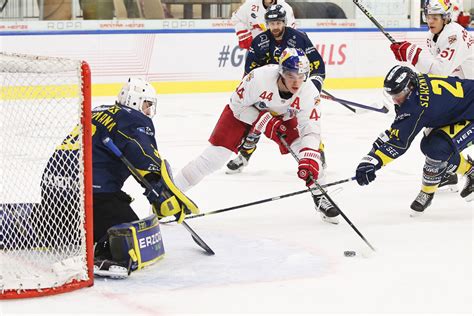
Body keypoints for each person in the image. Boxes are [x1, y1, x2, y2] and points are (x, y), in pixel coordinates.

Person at [42, 78, 198, 278]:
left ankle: (45, 227)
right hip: (89, 198)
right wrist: (162, 193)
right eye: (147, 104)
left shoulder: (99, 111)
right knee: (135, 236)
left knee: (92, 213)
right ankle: (105, 252)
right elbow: (143, 158)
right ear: (134, 101)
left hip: (51, 191)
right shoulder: (133, 119)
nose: (148, 111)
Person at [174, 48, 340, 224]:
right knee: (214, 158)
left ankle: (321, 195)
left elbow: (311, 129)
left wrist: (309, 154)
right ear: (282, 72)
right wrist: (263, 120)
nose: (297, 82)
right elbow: (237, 105)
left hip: (282, 117)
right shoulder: (259, 78)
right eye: (291, 75)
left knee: (310, 157)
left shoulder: (308, 91)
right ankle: (171, 192)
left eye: (301, 76)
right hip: (245, 112)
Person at [355, 65, 474, 216]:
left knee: (437, 147)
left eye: (399, 93)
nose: (395, 99)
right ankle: (469, 171)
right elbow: (396, 131)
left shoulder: (415, 105)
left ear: (410, 87)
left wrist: (374, 161)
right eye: (392, 94)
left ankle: (430, 191)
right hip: (460, 112)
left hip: (469, 114)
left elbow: (399, 143)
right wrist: (373, 153)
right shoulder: (415, 88)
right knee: (430, 145)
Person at [227, 4, 326, 174]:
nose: (275, 27)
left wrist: (311, 89)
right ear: (267, 23)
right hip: (268, 92)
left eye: (279, 23)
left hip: (293, 92)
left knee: (306, 123)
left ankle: (317, 152)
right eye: (272, 24)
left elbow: (317, 66)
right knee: (257, 122)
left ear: (284, 22)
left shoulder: (299, 38)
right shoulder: (260, 41)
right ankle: (244, 155)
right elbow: (249, 71)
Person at [389, 0, 473, 191]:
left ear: (446, 17)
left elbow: (440, 71)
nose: (431, 21)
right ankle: (450, 173)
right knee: (431, 133)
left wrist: (411, 53)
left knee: (438, 139)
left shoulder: (455, 35)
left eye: (435, 17)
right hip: (462, 92)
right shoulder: (432, 36)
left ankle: (462, 171)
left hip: (470, 97)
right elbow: (440, 73)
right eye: (428, 17)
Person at [231, 0, 296, 50]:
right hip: (256, 49)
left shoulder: (286, 8)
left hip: (280, 50)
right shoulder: (250, 4)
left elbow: (291, 32)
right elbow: (236, 18)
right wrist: (245, 36)